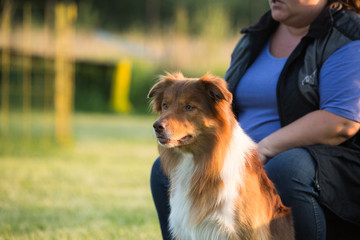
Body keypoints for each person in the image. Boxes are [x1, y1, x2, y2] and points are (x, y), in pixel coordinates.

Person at [150, 0, 360, 239]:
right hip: (249, 152)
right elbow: (222, 108)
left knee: (284, 167)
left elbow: (342, 122)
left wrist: (264, 149)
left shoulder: (348, 36)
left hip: (329, 163)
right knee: (163, 170)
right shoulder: (256, 35)